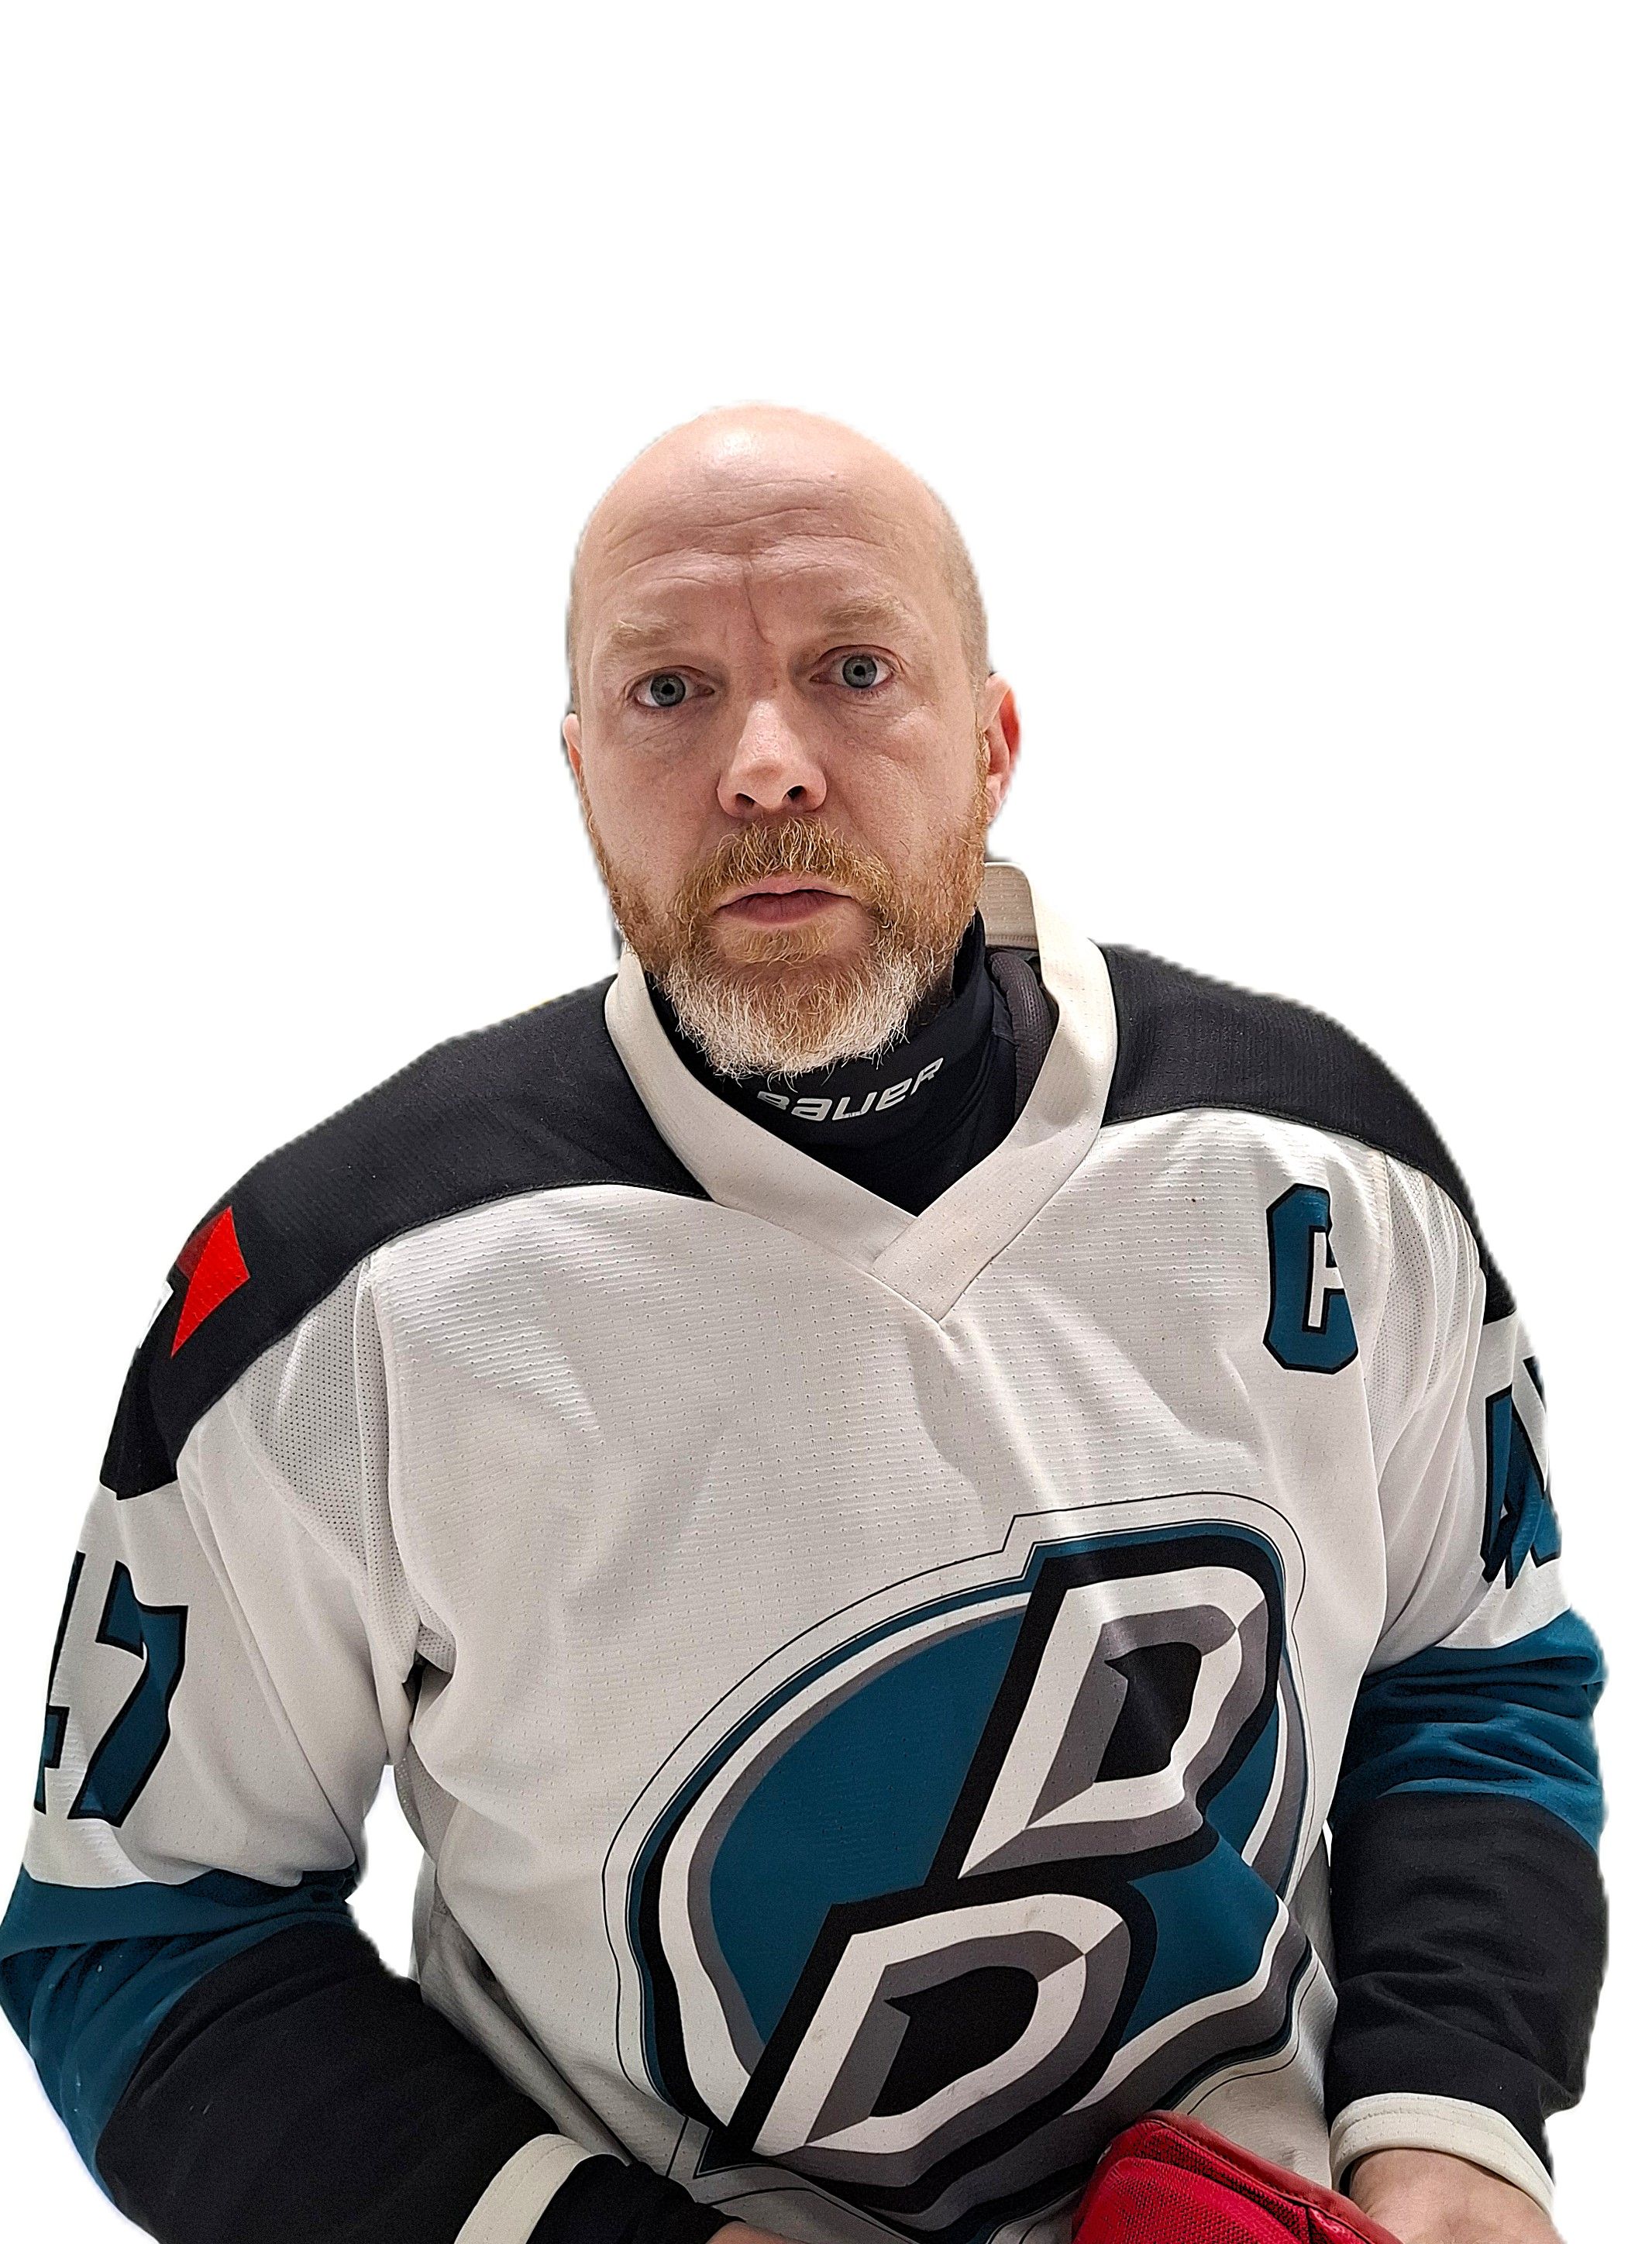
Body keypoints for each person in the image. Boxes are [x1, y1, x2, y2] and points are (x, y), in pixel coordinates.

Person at [1, 404, 1605, 2244]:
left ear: (993, 738)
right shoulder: (339, 1291)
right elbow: (141, 1925)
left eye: (854, 670)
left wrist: (1453, 2125)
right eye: (669, 691)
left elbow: (1464, 1667)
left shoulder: (1322, 1165)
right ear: (580, 767)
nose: (765, 765)